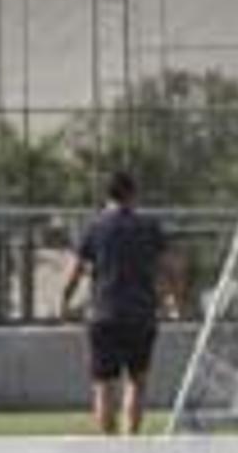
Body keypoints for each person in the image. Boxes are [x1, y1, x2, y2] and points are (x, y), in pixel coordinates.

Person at [63, 170, 185, 434]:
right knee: (137, 382)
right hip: (141, 315)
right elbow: (172, 269)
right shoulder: (149, 227)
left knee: (104, 385)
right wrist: (175, 302)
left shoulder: (94, 227)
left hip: (104, 314)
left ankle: (109, 449)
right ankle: (131, 444)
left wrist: (64, 302)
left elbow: (73, 271)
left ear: (107, 195)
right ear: (132, 194)